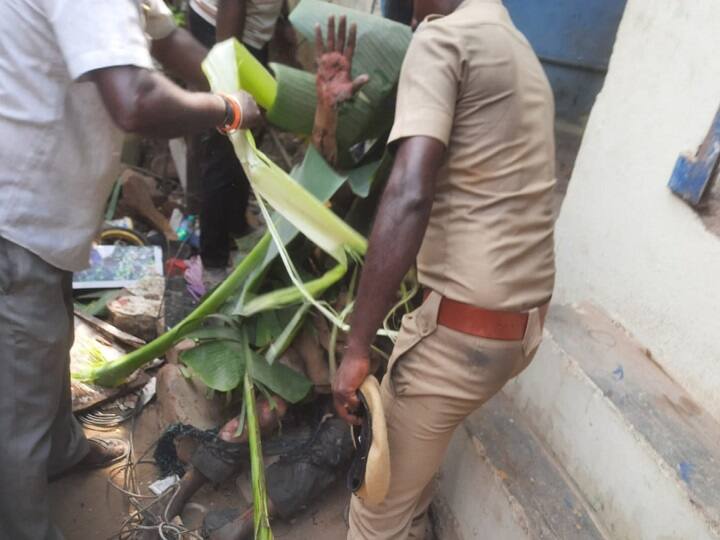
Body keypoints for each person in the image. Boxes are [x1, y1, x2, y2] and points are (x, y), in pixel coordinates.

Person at [0, 1, 261, 538]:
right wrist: (227, 109)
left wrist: (264, 88)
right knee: (16, 407)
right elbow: (135, 101)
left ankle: (61, 450)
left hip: (42, 219)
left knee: (48, 344)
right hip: (17, 217)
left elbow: (168, 41)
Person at [331, 0, 557, 538]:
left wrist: (357, 346)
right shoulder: (518, 47)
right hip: (521, 329)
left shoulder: (444, 40)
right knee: (413, 479)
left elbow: (409, 192)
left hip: (462, 335)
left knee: (376, 506)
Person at [188, 0, 293, 279]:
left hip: (247, 30)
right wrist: (228, 84)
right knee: (226, 142)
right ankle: (213, 261)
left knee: (242, 137)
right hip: (225, 29)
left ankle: (235, 223)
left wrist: (281, 22)